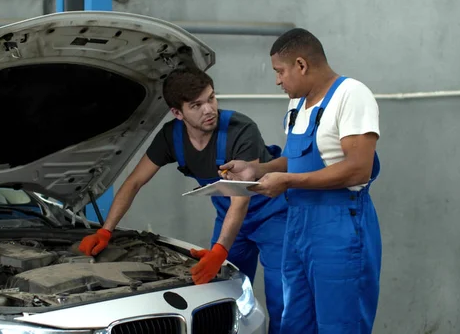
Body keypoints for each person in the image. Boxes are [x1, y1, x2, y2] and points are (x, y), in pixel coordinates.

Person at [78, 67, 288, 334]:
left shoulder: (240, 129)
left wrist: (220, 250)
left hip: (272, 214)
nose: (209, 109)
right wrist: (106, 230)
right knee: (222, 290)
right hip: (230, 216)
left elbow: (240, 197)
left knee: (282, 297)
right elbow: (134, 181)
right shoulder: (171, 137)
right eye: (196, 105)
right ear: (178, 113)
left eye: (211, 98)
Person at [219, 28, 382, 334]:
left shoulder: (351, 95)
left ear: (301, 64)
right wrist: (258, 170)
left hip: (339, 228)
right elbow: (297, 159)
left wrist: (289, 181)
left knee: (340, 323)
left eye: (280, 71)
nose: (278, 80)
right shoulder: (297, 104)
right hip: (297, 226)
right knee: (295, 322)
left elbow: (359, 169)